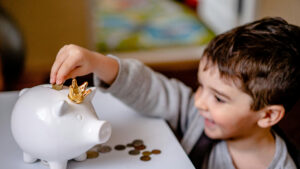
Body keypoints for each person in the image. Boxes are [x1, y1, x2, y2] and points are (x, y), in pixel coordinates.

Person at [50, 17, 300, 169]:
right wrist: (97, 62)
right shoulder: (198, 115)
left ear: (267, 116)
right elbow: (150, 88)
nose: (198, 101)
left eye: (219, 98)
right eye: (200, 86)